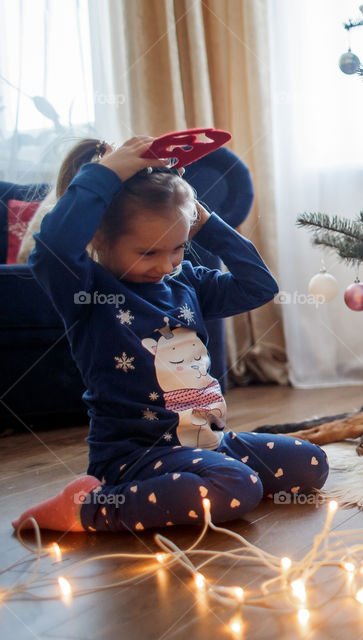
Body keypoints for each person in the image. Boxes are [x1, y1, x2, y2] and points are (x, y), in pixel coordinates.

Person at [11, 136, 328, 533]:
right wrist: (107, 174)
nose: (166, 264)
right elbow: (52, 246)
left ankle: (198, 483)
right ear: (98, 238)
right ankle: (89, 509)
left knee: (312, 464)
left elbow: (259, 286)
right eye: (148, 253)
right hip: (136, 456)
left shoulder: (187, 281)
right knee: (238, 486)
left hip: (210, 440)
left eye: (178, 247)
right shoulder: (87, 291)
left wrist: (207, 224)